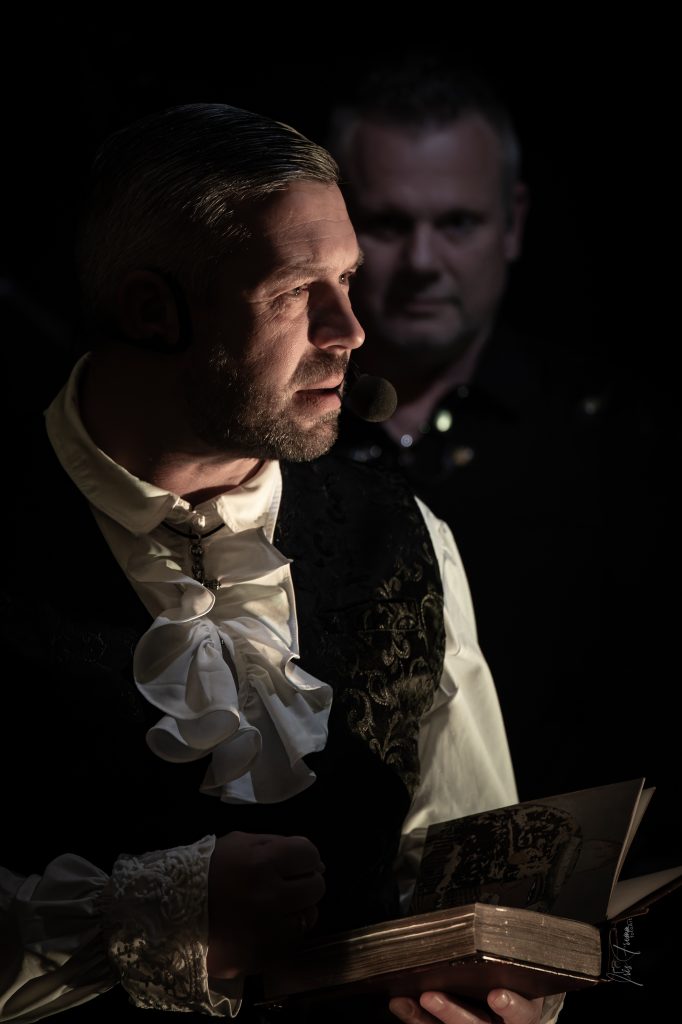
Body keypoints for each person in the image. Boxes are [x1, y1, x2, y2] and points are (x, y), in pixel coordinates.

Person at [0, 103, 565, 1024]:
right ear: (152, 310)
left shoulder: (404, 535)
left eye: (348, 279)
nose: (349, 329)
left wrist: (504, 991)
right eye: (296, 290)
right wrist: (150, 920)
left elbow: (474, 870)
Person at [326, 57, 682, 1018]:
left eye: (459, 222)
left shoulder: (625, 449)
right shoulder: (265, 452)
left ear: (514, 221)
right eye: (387, 224)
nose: (423, 259)